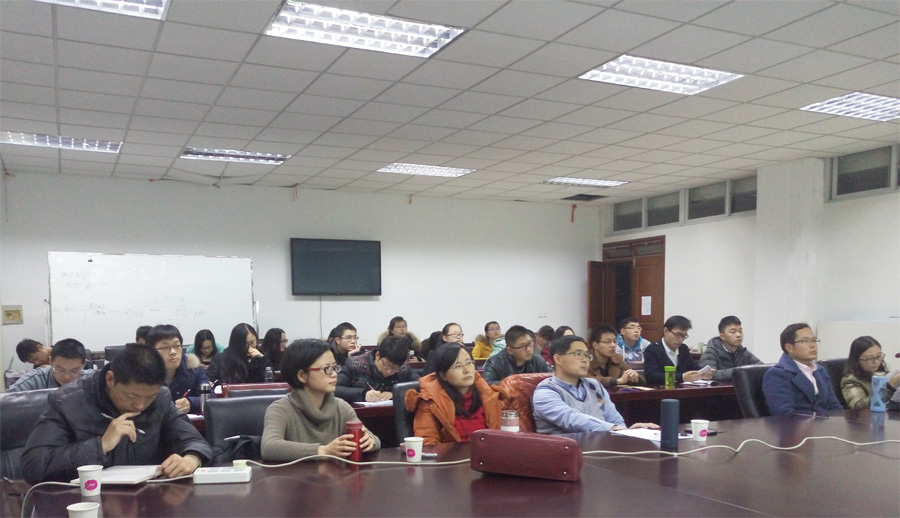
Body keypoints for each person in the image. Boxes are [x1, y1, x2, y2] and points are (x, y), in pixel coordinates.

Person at [21, 343, 212, 484]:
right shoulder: (67, 402)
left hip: (148, 499)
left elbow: (194, 440)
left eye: (149, 397)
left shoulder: (160, 398)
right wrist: (101, 445)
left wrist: (191, 458)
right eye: (131, 396)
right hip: (86, 500)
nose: (140, 405)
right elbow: (34, 466)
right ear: (110, 379)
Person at [261, 339, 381, 462]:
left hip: (335, 473)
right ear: (302, 375)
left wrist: (369, 441)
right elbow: (269, 447)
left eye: (335, 367)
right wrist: (323, 451)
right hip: (296, 474)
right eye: (327, 369)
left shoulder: (341, 407)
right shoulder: (280, 409)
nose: (334, 374)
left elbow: (374, 440)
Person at [533, 335, 658, 434]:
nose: (584, 360)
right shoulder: (545, 392)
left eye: (586, 355)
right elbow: (572, 419)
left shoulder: (594, 385)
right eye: (578, 354)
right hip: (565, 453)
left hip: (602, 447)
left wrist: (626, 431)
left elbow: (614, 418)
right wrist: (615, 429)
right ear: (558, 359)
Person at [405, 343, 502, 444]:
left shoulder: (487, 396)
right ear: (443, 375)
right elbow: (428, 443)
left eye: (469, 363)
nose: (467, 370)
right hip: (450, 454)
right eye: (458, 366)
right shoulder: (430, 402)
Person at [763, 323, 843, 416]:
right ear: (789, 347)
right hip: (796, 424)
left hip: (826, 423)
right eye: (805, 341)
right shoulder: (778, 374)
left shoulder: (820, 370)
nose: (813, 345)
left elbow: (834, 406)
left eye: (814, 340)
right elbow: (784, 413)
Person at [147, 324, 209, 414]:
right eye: (165, 347)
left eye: (177, 346)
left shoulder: (193, 368)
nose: (173, 352)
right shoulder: (142, 373)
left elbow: (210, 397)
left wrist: (191, 403)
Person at [335, 335, 418, 402]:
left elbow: (420, 385)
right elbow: (335, 389)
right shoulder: (354, 364)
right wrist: (363, 394)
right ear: (377, 355)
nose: (389, 371)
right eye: (386, 365)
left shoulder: (403, 368)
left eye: (395, 368)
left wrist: (396, 393)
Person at [644, 316, 711, 385]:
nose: (680, 339)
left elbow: (693, 367)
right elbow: (652, 376)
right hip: (660, 389)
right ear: (665, 331)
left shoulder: (683, 349)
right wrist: (682, 377)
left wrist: (703, 373)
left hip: (683, 389)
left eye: (684, 336)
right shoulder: (652, 349)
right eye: (677, 335)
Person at [8, 338, 91, 392]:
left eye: (74, 371)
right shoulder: (37, 378)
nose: (66, 377)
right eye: (59, 370)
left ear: (84, 364)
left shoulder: (91, 379)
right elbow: (6, 400)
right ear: (50, 362)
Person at [841, 336, 900, 410]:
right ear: (856, 360)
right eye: (869, 358)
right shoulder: (850, 380)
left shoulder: (885, 374)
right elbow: (859, 407)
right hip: (867, 417)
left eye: (879, 356)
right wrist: (890, 387)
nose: (876, 361)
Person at [481, 325, 550, 385]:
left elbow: (551, 376)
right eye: (522, 346)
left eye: (530, 343)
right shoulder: (495, 362)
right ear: (510, 350)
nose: (529, 349)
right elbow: (487, 384)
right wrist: (515, 384)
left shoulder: (537, 360)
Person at [700, 316, 763, 381]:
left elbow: (761, 368)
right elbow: (708, 374)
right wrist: (740, 371)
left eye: (740, 331)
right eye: (733, 332)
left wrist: (743, 371)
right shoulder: (711, 352)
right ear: (722, 336)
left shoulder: (743, 352)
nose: (738, 335)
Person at [206, 323, 270, 386]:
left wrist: (262, 359)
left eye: (252, 342)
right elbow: (208, 379)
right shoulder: (222, 359)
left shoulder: (261, 357)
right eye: (246, 344)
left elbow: (270, 381)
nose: (250, 347)